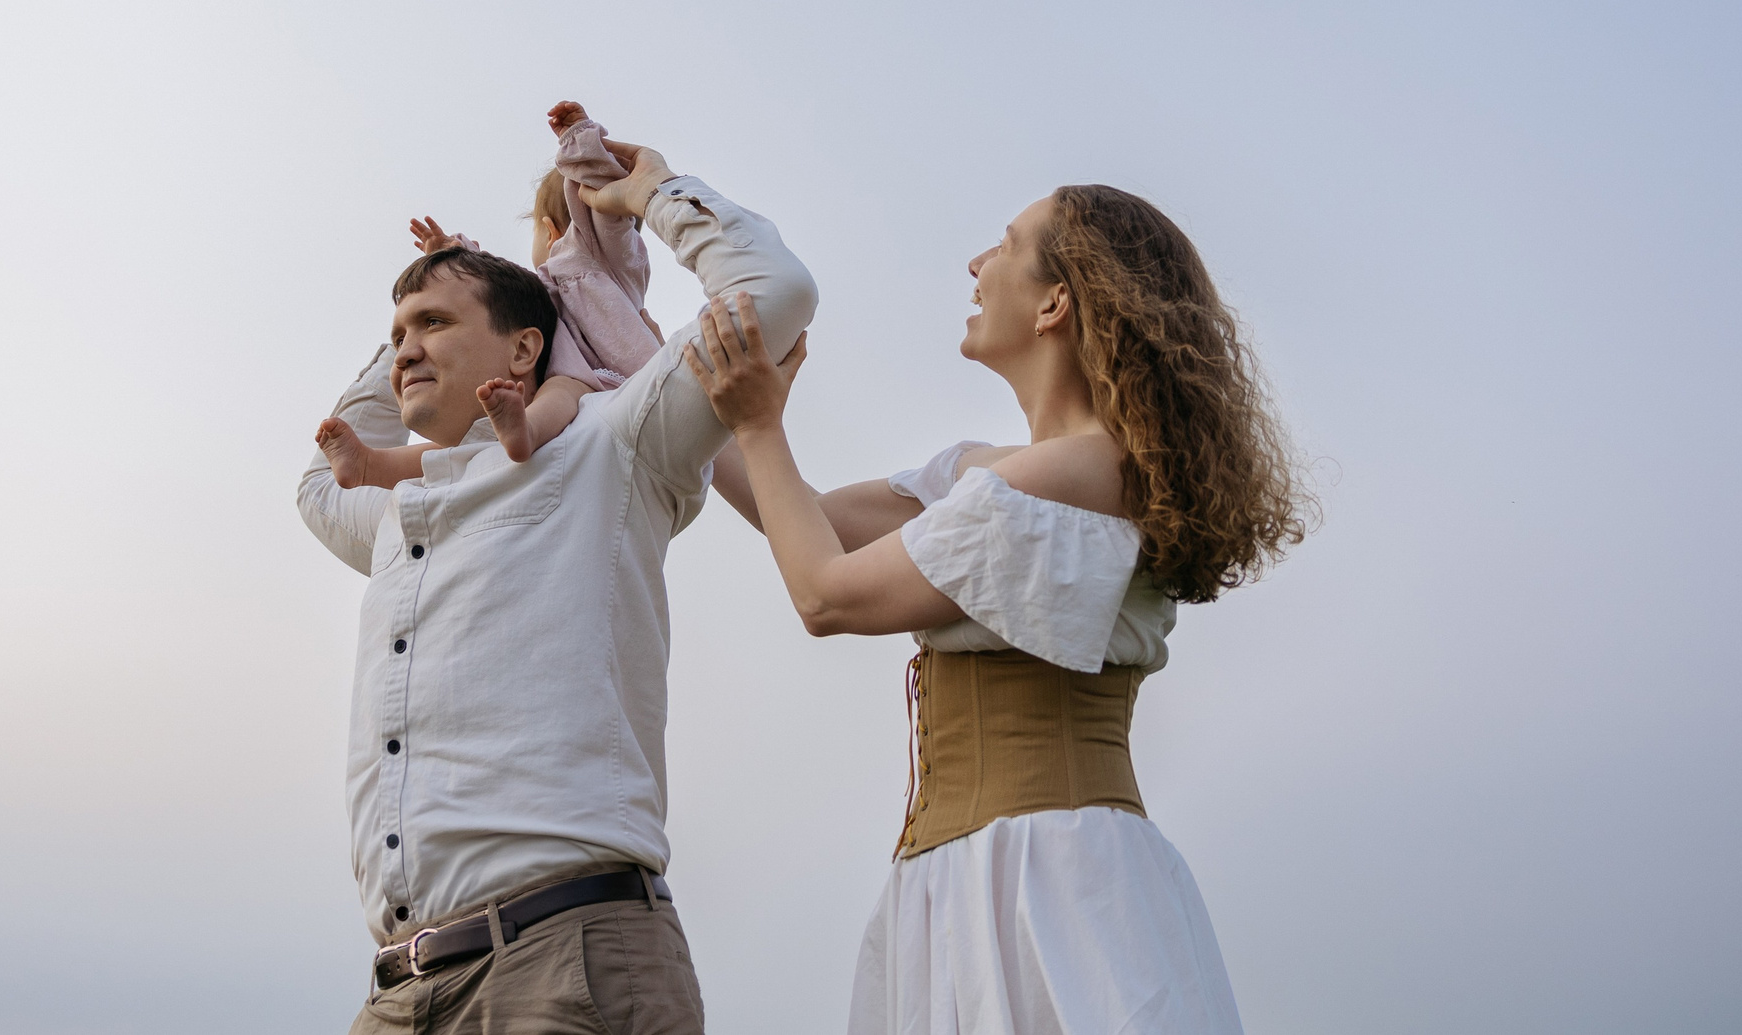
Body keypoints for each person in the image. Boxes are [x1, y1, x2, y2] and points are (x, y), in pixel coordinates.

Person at [686, 185, 1307, 1035]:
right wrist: (639, 354)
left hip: (1048, 887)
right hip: (963, 884)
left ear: (1056, 303)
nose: (977, 263)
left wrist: (761, 425)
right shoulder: (1001, 473)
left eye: (1006, 245)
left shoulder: (1078, 474)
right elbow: (808, 517)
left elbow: (825, 592)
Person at [298, 123, 817, 1035]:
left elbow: (775, 291)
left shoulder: (610, 443)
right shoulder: (398, 512)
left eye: (433, 326)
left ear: (525, 349)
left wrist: (651, 191)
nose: (405, 350)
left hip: (563, 961)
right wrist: (430, 293)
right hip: (399, 995)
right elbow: (317, 486)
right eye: (397, 334)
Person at [316, 101, 678, 480]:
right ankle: (369, 465)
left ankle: (527, 431)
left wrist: (579, 139)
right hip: (549, 395)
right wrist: (451, 254)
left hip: (606, 384)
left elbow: (605, 198)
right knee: (462, 449)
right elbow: (492, 283)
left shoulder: (605, 264)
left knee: (561, 390)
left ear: (550, 230)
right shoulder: (547, 289)